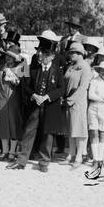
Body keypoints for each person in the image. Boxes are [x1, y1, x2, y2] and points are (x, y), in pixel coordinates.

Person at [10, 31, 65, 172]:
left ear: (50, 55)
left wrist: (47, 96)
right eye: (39, 52)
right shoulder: (33, 68)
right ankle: (21, 161)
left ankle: (44, 163)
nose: (39, 55)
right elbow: (25, 83)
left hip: (49, 106)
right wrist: (34, 95)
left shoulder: (57, 70)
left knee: (48, 134)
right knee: (29, 131)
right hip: (34, 105)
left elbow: (61, 88)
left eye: (43, 53)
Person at [0, 31, 26, 160]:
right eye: (7, 56)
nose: (8, 58)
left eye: (10, 56)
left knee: (14, 125)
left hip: (13, 100)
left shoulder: (20, 68)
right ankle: (5, 150)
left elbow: (21, 84)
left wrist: (14, 77)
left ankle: (13, 151)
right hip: (1, 98)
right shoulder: (1, 67)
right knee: (2, 125)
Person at [62, 40, 93, 166]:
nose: (71, 54)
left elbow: (83, 87)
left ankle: (79, 155)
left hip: (78, 101)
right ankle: (71, 153)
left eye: (74, 52)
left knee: (79, 129)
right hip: (68, 100)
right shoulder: (71, 67)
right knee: (71, 128)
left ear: (80, 53)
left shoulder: (85, 67)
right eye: (70, 52)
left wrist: (71, 100)